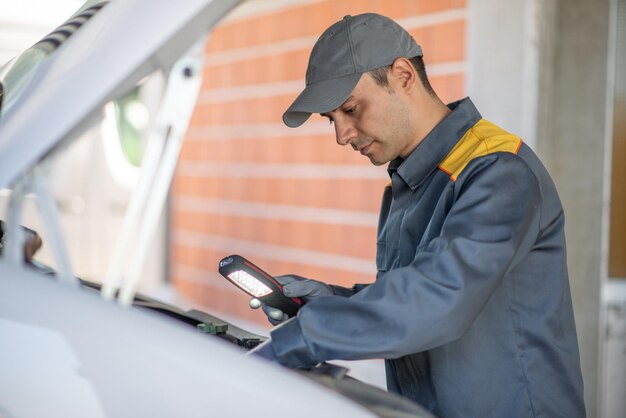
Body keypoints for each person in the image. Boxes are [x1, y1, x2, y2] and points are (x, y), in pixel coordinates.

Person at [249, 13, 585, 418]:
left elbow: (438, 301)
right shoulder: (412, 182)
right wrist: (329, 303)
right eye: (331, 120)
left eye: (351, 109)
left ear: (403, 76)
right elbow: (413, 295)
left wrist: (303, 337)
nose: (342, 135)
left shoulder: (499, 172)